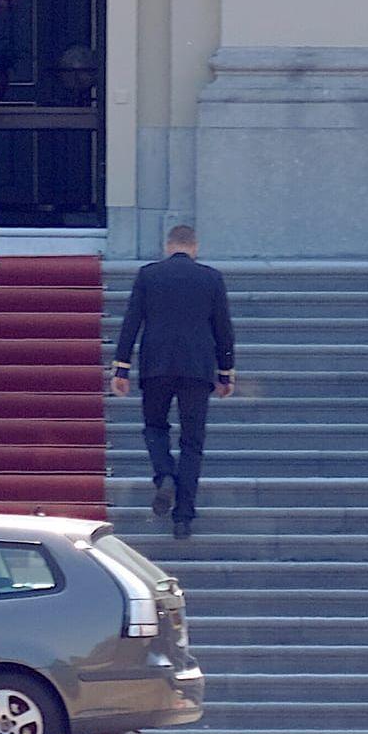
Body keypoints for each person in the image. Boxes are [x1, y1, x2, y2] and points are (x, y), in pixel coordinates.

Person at [110, 225, 235, 539]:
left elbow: (131, 322)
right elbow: (223, 328)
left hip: (156, 366)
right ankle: (183, 519)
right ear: (195, 247)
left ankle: (164, 474)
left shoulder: (148, 275)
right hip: (196, 368)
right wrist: (226, 372)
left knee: (155, 428)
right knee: (192, 443)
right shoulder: (211, 278)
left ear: (168, 246)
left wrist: (121, 368)